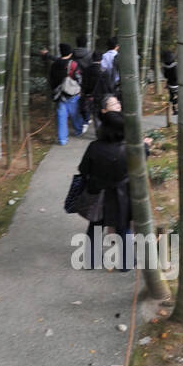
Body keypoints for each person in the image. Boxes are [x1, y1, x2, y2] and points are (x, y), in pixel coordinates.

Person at [68, 113, 135, 265]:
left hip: (97, 194)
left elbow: (83, 169)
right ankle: (126, 263)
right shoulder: (129, 150)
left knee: (95, 227)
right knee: (122, 227)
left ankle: (91, 260)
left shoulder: (94, 147)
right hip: (121, 195)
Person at [53, 43, 85, 145]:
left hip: (59, 94)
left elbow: (51, 80)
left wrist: (55, 91)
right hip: (72, 93)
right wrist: (80, 91)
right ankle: (79, 130)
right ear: (70, 53)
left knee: (61, 117)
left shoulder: (55, 64)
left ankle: (62, 140)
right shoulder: (73, 64)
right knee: (75, 113)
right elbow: (79, 78)